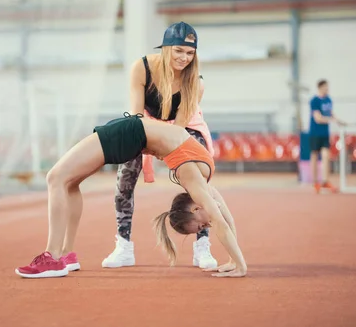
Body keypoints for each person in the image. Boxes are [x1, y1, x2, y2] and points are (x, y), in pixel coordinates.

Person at [15, 113, 247, 279]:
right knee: (63, 180)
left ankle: (59, 256)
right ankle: (60, 256)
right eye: (201, 225)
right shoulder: (194, 178)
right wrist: (240, 265)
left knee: (62, 180)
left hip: (133, 134)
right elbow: (222, 220)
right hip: (129, 133)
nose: (207, 225)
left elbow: (223, 219)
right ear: (195, 208)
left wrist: (235, 261)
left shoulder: (203, 179)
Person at [102, 21, 218, 270]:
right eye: (178, 51)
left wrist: (165, 153)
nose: (184, 57)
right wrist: (146, 144)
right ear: (165, 49)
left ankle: (202, 246)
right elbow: (135, 116)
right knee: (126, 174)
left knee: (197, 176)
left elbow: (178, 131)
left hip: (183, 127)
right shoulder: (142, 68)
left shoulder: (196, 83)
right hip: (144, 122)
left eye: (189, 53)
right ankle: (123, 245)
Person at [309, 79, 345, 193]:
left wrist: (339, 120)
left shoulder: (329, 99)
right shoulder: (314, 101)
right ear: (320, 87)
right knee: (314, 156)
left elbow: (331, 113)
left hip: (325, 133)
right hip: (315, 132)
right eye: (325, 87)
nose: (327, 89)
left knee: (326, 155)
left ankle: (326, 180)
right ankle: (315, 182)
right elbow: (318, 118)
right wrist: (331, 120)